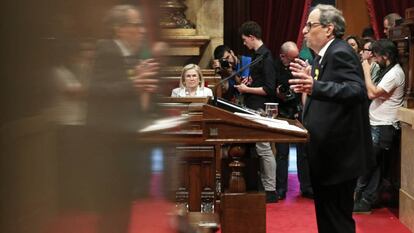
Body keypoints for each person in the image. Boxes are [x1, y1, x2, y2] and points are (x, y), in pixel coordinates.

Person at [289, 4, 374, 233]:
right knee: (327, 219)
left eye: (310, 25)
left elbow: (357, 90)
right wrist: (311, 83)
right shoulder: (321, 57)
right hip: (327, 155)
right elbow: (323, 94)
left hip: (340, 158)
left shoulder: (340, 52)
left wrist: (316, 85)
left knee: (337, 221)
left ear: (329, 29)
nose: (305, 31)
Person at [85, 5, 159, 233]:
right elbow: (96, 90)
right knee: (111, 208)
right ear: (119, 28)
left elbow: (130, 98)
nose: (142, 31)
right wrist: (134, 84)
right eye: (136, 25)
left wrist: (141, 87)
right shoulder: (107, 49)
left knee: (121, 206)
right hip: (107, 144)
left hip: (122, 142)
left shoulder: (129, 55)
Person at [353, 39, 405, 214]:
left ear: (386, 55)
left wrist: (366, 71)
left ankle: (364, 200)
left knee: (370, 165)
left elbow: (372, 92)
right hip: (376, 123)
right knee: (372, 165)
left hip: (383, 126)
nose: (374, 60)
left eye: (376, 56)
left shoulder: (395, 73)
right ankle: (363, 201)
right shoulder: (388, 70)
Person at [235, 21, 278, 203]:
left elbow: (269, 88)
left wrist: (246, 90)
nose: (244, 43)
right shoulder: (257, 56)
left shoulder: (266, 57)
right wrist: (250, 80)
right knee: (259, 149)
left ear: (252, 37)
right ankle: (261, 184)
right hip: (253, 106)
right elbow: (261, 81)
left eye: (245, 40)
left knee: (264, 149)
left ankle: (270, 190)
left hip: (260, 107)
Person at [274, 41, 313, 200]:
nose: (296, 60)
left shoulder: (301, 65)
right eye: (292, 58)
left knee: (303, 152)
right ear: (283, 56)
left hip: (299, 111)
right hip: (282, 112)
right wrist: (279, 94)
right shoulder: (275, 67)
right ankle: (281, 188)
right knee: (282, 152)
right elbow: (272, 89)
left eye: (297, 57)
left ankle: (307, 187)